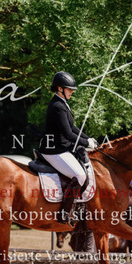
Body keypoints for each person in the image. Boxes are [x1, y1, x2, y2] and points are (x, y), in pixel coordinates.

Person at [39, 71, 98, 224]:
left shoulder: (63, 103)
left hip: (62, 147)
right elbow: (67, 133)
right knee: (80, 175)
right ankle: (65, 213)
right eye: (69, 89)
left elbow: (72, 127)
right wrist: (85, 143)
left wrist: (88, 139)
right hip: (54, 150)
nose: (72, 92)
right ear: (60, 89)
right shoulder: (57, 106)